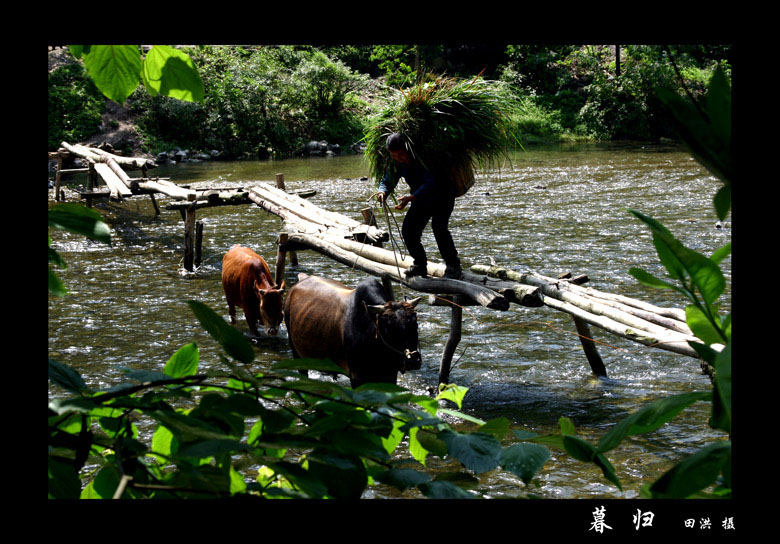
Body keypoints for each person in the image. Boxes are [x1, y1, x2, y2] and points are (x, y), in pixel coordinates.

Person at [375, 132, 462, 280]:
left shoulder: (425, 158)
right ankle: (420, 265)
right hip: (421, 199)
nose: (399, 158)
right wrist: (382, 191)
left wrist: (411, 197)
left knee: (439, 228)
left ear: (408, 149)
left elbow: (433, 182)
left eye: (401, 154)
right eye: (395, 156)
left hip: (443, 195)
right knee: (409, 231)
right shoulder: (396, 162)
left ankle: (453, 266)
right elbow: (388, 179)